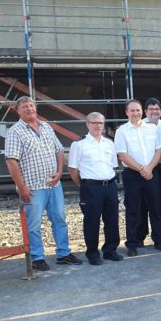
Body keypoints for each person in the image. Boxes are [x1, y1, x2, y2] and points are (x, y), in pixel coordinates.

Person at [5, 96, 82, 271]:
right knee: (34, 224)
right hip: (32, 187)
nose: (29, 109)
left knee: (60, 219)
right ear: (18, 111)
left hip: (54, 185)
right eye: (25, 107)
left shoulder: (46, 127)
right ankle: (37, 257)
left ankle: (63, 254)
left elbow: (59, 150)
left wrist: (59, 173)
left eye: (31, 105)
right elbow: (11, 161)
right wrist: (22, 186)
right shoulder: (15, 132)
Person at [67, 112, 123, 265]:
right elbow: (73, 169)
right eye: (94, 123)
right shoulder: (79, 144)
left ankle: (110, 250)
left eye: (100, 123)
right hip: (91, 187)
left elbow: (113, 165)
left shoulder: (109, 144)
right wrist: (83, 185)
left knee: (112, 219)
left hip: (109, 186)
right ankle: (92, 253)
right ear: (87, 125)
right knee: (92, 221)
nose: (98, 125)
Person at [115, 99, 161, 256]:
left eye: (137, 110)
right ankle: (132, 243)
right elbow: (122, 155)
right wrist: (141, 169)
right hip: (132, 174)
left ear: (142, 111)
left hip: (152, 172)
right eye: (132, 110)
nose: (135, 113)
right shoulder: (122, 131)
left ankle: (159, 240)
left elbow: (158, 150)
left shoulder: (152, 129)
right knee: (133, 209)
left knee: (155, 208)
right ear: (127, 112)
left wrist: (150, 168)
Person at [137, 98, 161, 247]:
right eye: (151, 109)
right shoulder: (140, 126)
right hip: (144, 169)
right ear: (145, 111)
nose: (154, 112)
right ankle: (140, 236)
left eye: (157, 109)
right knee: (143, 204)